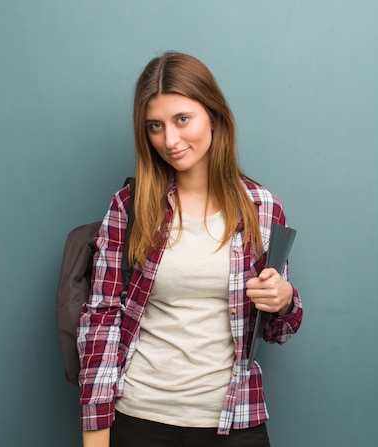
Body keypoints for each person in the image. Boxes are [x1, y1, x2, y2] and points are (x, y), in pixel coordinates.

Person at [77, 52, 303, 447]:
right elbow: (101, 321)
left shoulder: (263, 208)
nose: (170, 140)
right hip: (140, 420)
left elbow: (278, 330)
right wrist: (95, 436)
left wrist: (283, 301)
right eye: (155, 126)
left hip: (235, 421)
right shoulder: (129, 207)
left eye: (182, 119)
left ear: (212, 114)